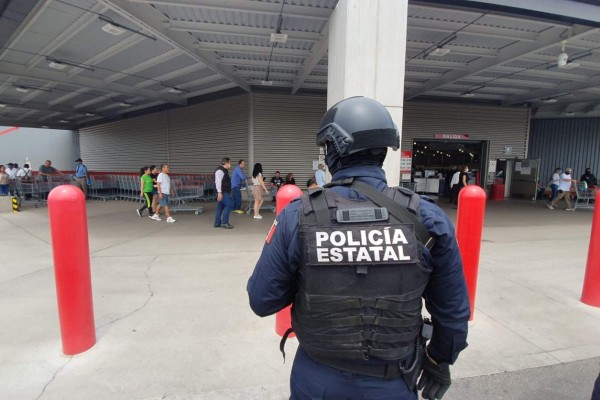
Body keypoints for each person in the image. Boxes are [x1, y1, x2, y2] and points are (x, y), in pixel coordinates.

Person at [247, 96, 470, 400]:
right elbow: (453, 313)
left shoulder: (296, 217)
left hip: (317, 380)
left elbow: (262, 300)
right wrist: (438, 360)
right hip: (394, 382)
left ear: (336, 149)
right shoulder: (427, 219)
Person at [214, 157, 234, 229]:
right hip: (223, 192)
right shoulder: (220, 171)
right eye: (229, 163)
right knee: (229, 205)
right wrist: (219, 192)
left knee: (220, 207)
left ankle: (217, 223)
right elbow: (218, 182)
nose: (230, 165)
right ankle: (224, 222)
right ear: (226, 163)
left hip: (223, 191)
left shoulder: (224, 170)